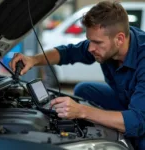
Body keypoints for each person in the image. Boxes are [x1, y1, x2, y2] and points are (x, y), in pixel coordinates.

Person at [9, 1, 145, 149]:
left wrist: (82, 112)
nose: (91, 48)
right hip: (130, 101)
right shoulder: (108, 43)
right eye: (89, 41)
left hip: (140, 115)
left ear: (119, 39)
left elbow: (137, 121)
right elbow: (68, 52)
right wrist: (33, 60)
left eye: (97, 42)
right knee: (84, 89)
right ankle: (115, 120)